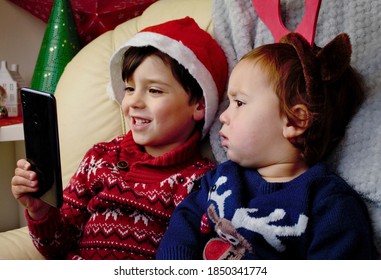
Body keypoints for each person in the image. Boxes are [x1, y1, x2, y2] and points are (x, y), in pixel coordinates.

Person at [11, 17, 228, 260]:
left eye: (154, 90)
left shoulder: (201, 181)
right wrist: (41, 211)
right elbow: (57, 245)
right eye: (129, 88)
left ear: (199, 104)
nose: (133, 101)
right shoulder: (100, 158)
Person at [156, 32, 377, 260]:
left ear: (294, 120)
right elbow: (183, 226)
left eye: (239, 103)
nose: (223, 116)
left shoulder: (330, 205)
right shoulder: (221, 178)